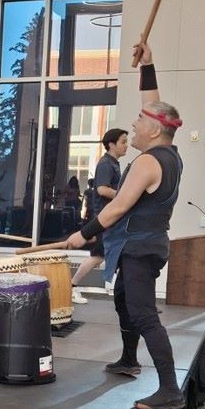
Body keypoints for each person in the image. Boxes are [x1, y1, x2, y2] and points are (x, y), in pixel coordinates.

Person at [66, 42, 184, 409]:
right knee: (123, 302)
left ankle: (170, 388)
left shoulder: (149, 162)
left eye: (139, 121)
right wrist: (148, 66)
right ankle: (129, 359)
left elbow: (116, 207)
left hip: (139, 248)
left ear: (153, 130)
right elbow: (156, 106)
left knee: (145, 314)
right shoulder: (167, 152)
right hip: (142, 245)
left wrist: (82, 235)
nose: (133, 124)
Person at [71, 128, 128, 304]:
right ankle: (71, 287)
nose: (126, 146)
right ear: (111, 145)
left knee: (111, 254)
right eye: (123, 142)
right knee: (98, 256)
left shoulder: (114, 163)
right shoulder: (106, 164)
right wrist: (125, 196)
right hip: (103, 219)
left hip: (110, 219)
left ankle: (124, 292)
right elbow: (102, 189)